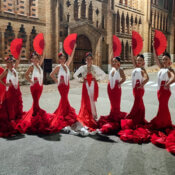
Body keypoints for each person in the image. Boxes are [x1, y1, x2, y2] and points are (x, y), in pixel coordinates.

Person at [16, 52, 56, 134]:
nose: (35, 59)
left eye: (36, 58)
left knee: (36, 102)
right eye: (33, 58)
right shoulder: (32, 66)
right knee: (36, 102)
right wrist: (31, 81)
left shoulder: (39, 65)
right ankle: (34, 118)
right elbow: (26, 75)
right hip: (34, 87)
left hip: (40, 86)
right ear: (31, 60)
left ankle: (35, 115)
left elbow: (43, 56)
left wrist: (43, 49)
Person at [118, 51, 150, 143]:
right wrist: (132, 51)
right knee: (140, 104)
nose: (138, 61)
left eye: (140, 60)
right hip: (134, 89)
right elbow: (133, 59)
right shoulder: (136, 67)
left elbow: (147, 78)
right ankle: (140, 118)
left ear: (143, 61)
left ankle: (132, 117)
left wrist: (141, 85)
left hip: (139, 89)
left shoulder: (142, 69)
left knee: (137, 104)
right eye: (138, 60)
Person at [50, 45, 79, 135]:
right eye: (61, 59)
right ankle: (64, 114)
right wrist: (57, 81)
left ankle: (62, 112)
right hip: (61, 86)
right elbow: (51, 74)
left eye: (64, 58)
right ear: (59, 60)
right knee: (64, 99)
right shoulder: (58, 67)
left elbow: (71, 57)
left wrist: (73, 48)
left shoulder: (67, 65)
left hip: (67, 86)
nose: (63, 60)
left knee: (64, 100)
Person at [73, 52, 106, 131]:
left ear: (92, 60)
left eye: (90, 59)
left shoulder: (95, 67)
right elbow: (75, 75)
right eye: (87, 59)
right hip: (86, 85)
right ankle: (87, 114)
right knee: (86, 100)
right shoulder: (82, 67)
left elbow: (103, 74)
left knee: (92, 100)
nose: (89, 60)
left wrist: (98, 79)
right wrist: (80, 80)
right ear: (85, 60)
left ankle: (93, 115)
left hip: (93, 85)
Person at [98, 52, 127, 134]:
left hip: (116, 89)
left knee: (116, 104)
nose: (114, 63)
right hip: (110, 88)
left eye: (115, 61)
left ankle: (116, 119)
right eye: (113, 61)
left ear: (119, 63)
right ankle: (112, 115)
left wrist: (119, 83)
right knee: (112, 103)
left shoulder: (120, 70)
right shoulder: (112, 69)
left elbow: (124, 78)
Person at [0, 56, 24, 137]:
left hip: (16, 90)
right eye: (9, 62)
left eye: (11, 62)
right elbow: (0, 78)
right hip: (10, 91)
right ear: (7, 63)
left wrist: (19, 52)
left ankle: (15, 122)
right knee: (10, 107)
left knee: (16, 106)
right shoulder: (6, 70)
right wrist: (5, 84)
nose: (10, 63)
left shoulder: (14, 69)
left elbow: (18, 60)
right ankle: (11, 124)